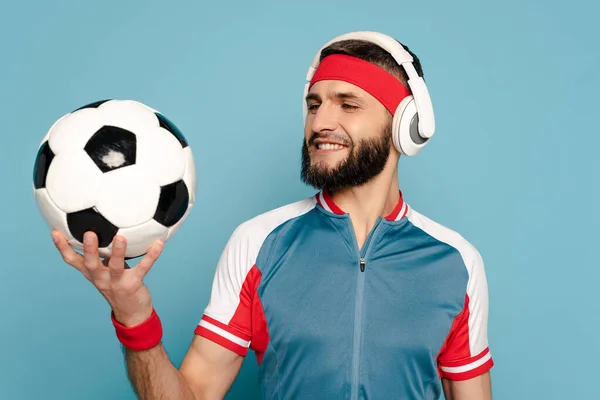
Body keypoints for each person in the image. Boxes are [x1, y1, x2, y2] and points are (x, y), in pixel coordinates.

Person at [51, 31, 494, 400]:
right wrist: (135, 320)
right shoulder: (259, 243)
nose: (321, 120)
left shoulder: (455, 264)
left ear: (404, 125)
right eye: (315, 103)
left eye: (348, 103)